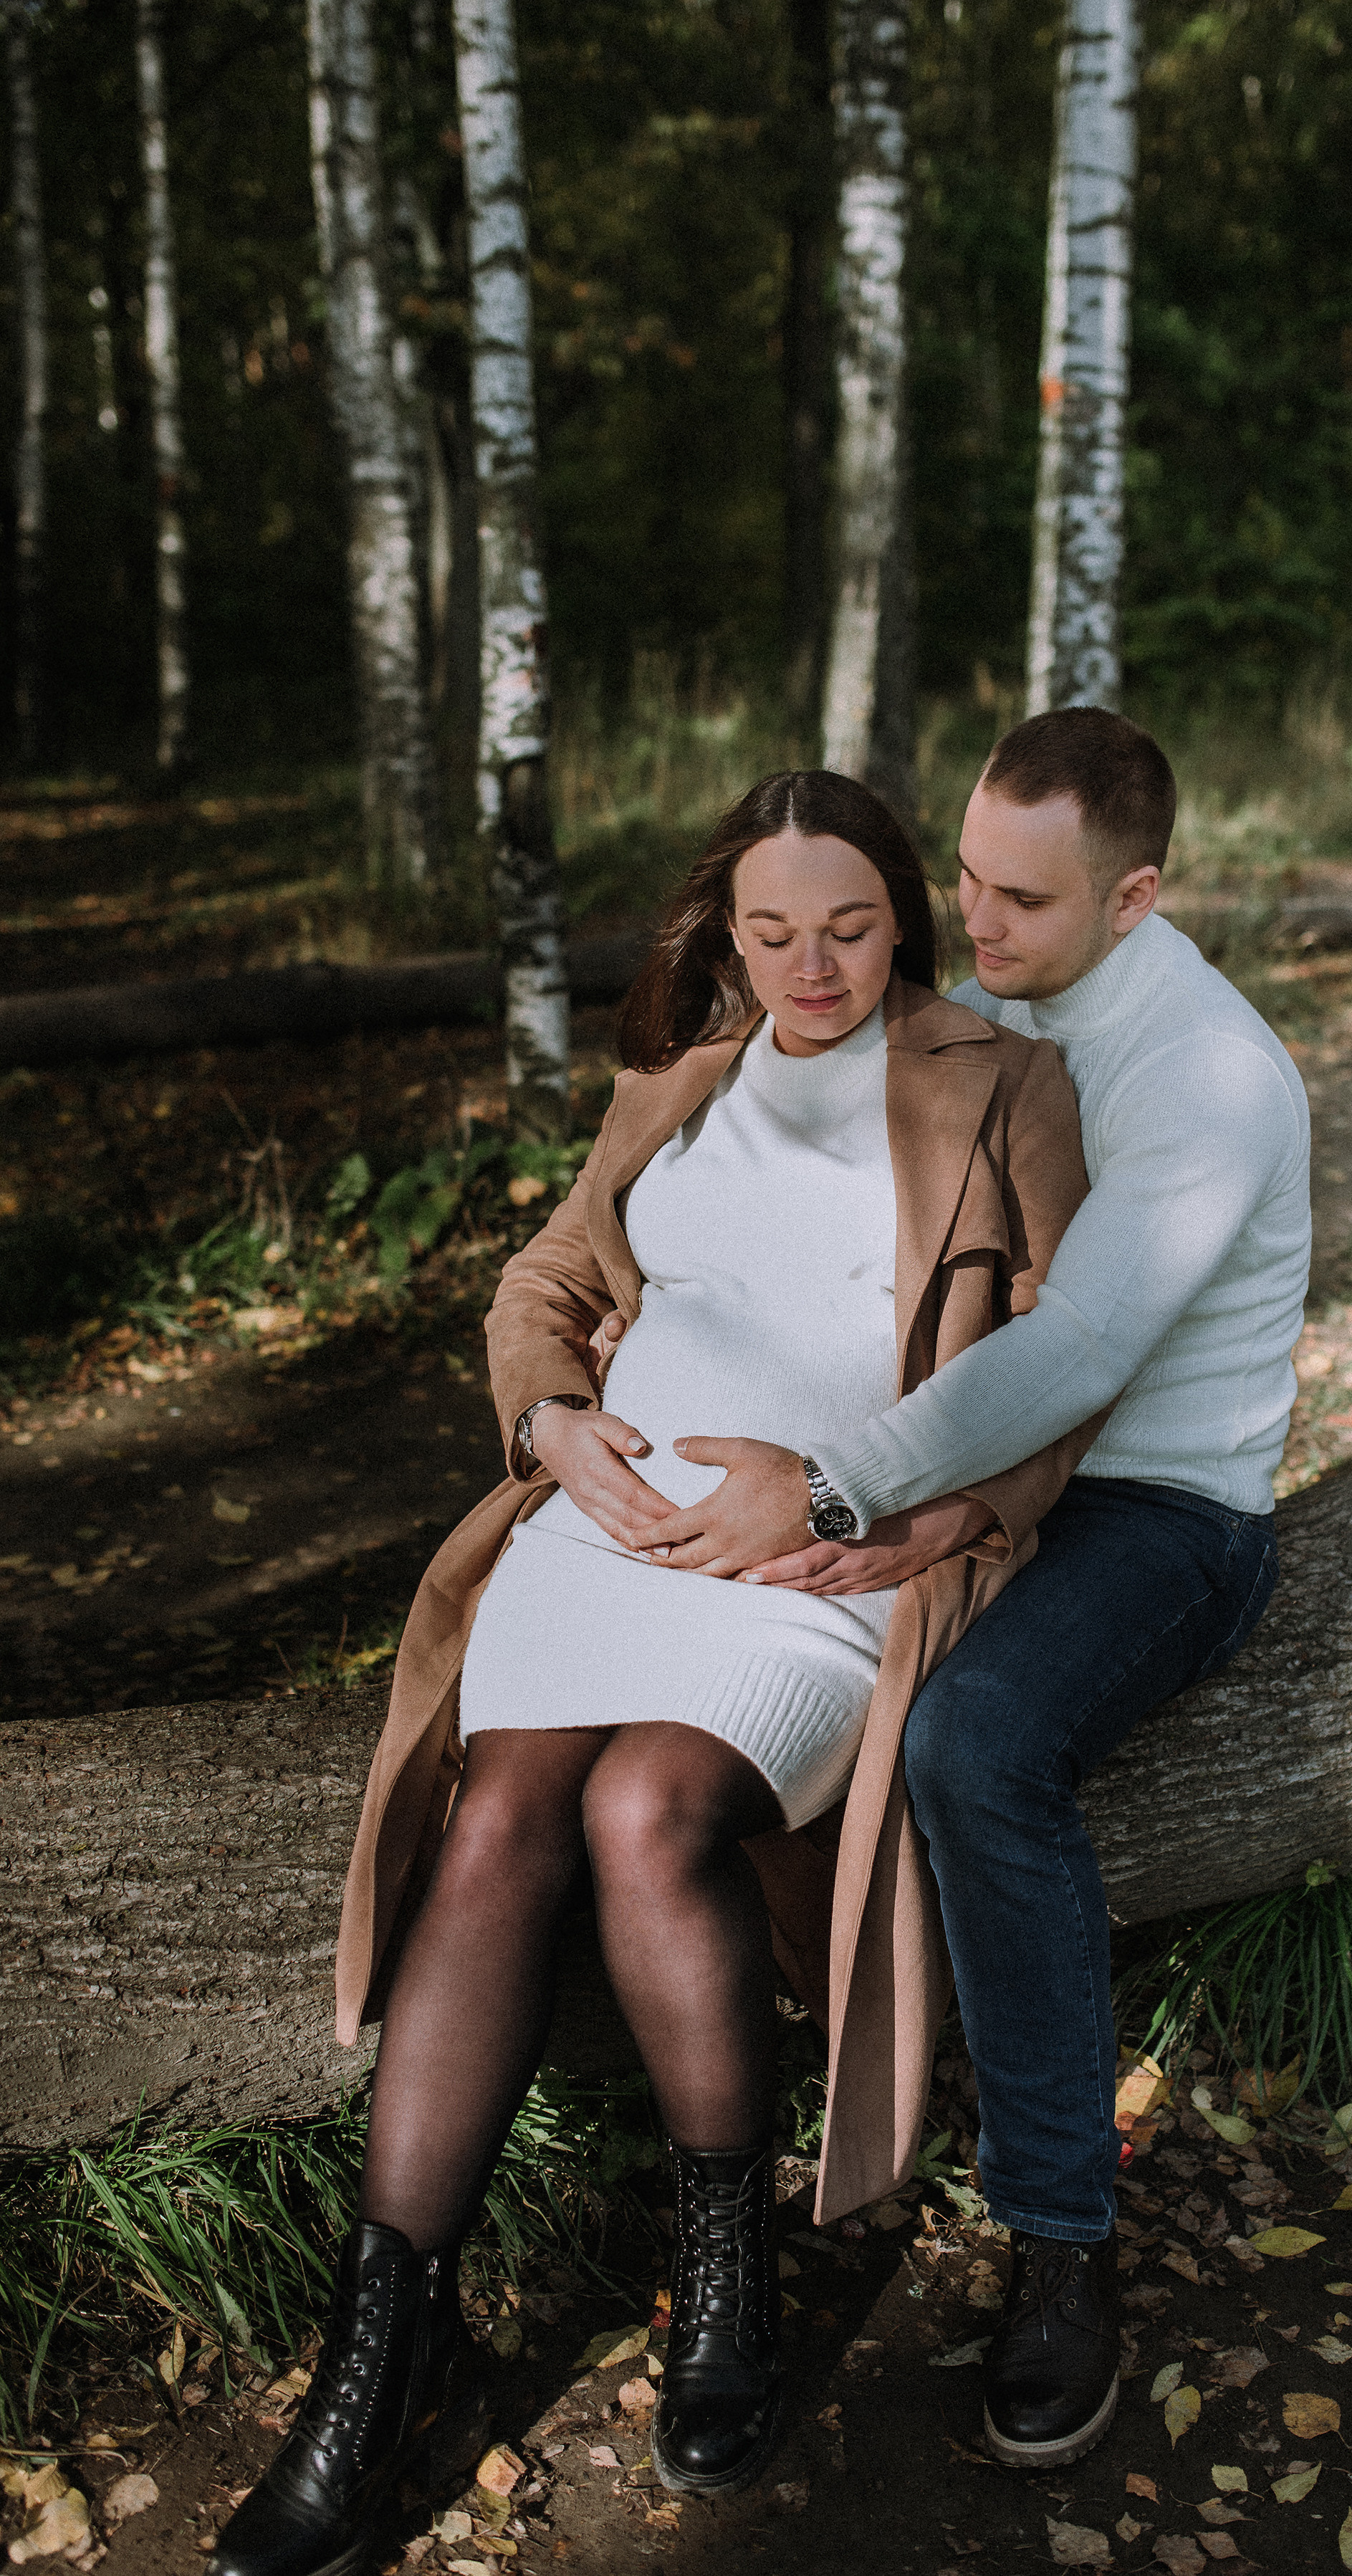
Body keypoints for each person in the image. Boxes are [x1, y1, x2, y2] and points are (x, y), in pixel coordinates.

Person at [211, 770, 1093, 2576]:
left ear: (904, 914)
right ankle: (382, 2356)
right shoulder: (683, 1080)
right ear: (728, 926)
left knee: (647, 1802)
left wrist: (927, 1525)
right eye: (771, 930)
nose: (809, 963)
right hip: (605, 1539)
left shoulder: (1001, 1083)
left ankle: (727, 2278)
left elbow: (1071, 1361)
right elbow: (541, 1278)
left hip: (819, 1565)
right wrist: (553, 1419)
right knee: (502, 1818)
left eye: (847, 924)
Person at [618, 708, 1312, 2474]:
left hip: (1156, 1509)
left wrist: (855, 1482)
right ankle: (806, 2099)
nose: (972, 928)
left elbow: (1083, 1347)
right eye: (970, 881)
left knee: (976, 1741)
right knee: (773, 1667)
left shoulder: (1212, 1074)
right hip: (974, 1470)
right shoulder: (995, 1000)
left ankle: (1061, 2237)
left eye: (1020, 900)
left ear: (1136, 895)